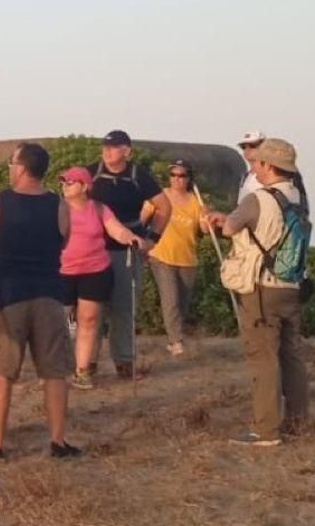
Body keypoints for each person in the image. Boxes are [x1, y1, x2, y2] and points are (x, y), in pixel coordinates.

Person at [206, 138, 312, 447]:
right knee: (291, 354)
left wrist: (221, 218)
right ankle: (298, 422)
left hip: (261, 288)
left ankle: (265, 430)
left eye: (257, 163)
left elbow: (230, 228)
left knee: (263, 357)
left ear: (267, 165)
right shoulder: (298, 197)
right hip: (291, 284)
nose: (254, 167)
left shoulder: (257, 198)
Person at [0, 143, 81, 459]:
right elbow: (64, 240)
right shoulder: (59, 205)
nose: (9, 168)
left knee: (2, 372)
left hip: (8, 297)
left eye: (11, 162)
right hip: (50, 294)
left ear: (22, 168)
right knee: (54, 372)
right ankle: (57, 441)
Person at [84, 130, 170, 379]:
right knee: (92, 310)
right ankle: (87, 363)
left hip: (127, 251)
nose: (107, 151)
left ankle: (124, 363)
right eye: (105, 146)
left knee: (124, 307)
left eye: (113, 147)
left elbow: (164, 206)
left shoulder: (138, 175)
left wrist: (152, 239)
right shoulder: (91, 173)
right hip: (94, 249)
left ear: (127, 150)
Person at [58, 165, 149, 389]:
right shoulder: (56, 209)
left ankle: (82, 371)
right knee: (59, 322)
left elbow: (115, 228)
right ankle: (56, 369)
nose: (65, 186)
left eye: (71, 182)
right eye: (64, 182)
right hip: (61, 272)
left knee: (88, 321)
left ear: (85, 186)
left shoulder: (98, 208)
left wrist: (130, 237)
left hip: (95, 270)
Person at [143, 159, 205, 357]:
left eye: (182, 175)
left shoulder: (196, 201)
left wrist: (206, 216)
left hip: (187, 258)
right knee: (170, 299)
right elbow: (142, 217)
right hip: (161, 255)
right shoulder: (160, 197)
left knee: (182, 303)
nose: (177, 179)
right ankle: (176, 341)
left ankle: (176, 337)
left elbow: (203, 229)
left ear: (189, 178)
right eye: (173, 175)